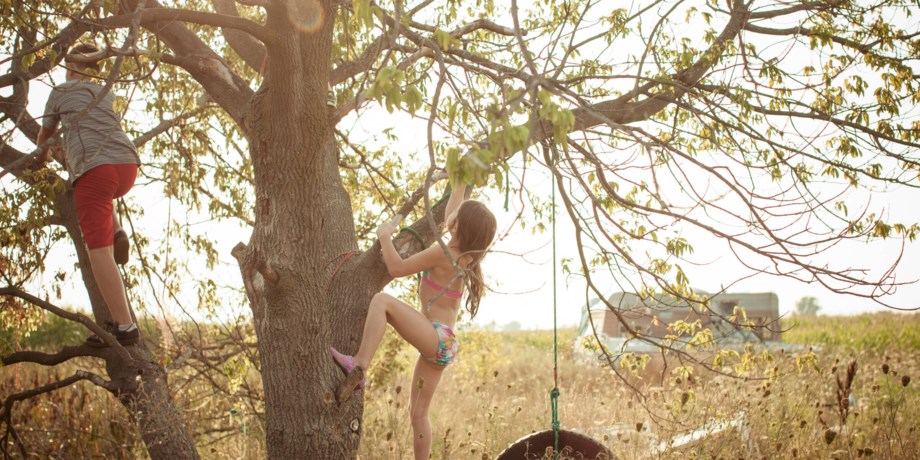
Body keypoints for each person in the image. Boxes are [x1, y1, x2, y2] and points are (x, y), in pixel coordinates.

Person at [331, 180, 496, 459]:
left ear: (460, 227)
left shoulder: (443, 253)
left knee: (382, 301)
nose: (450, 218)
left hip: (436, 336)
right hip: (444, 342)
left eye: (456, 218)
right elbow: (452, 215)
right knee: (418, 413)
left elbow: (396, 268)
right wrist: (458, 185)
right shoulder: (466, 257)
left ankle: (359, 364)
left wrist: (385, 236)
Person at [36, 43, 141, 347]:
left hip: (96, 171)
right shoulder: (104, 91)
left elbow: (44, 137)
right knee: (102, 197)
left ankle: (125, 327)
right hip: (126, 165)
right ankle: (118, 229)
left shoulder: (61, 91)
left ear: (71, 66)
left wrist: (42, 158)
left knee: (98, 253)